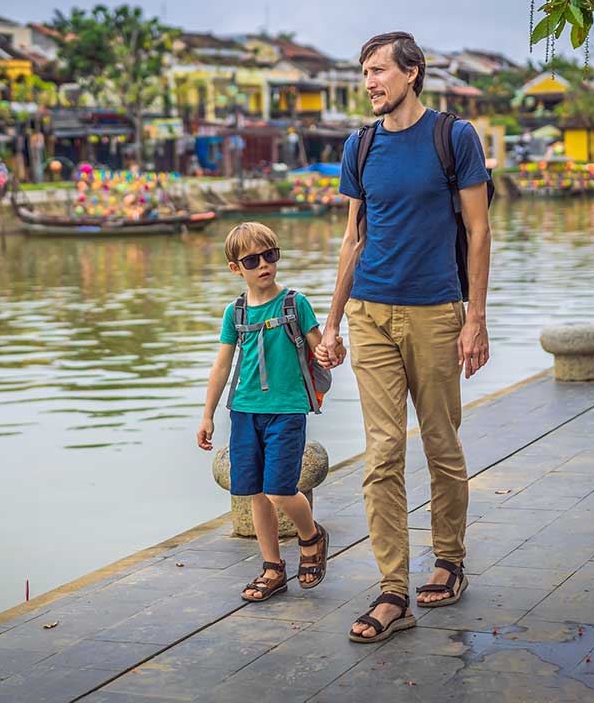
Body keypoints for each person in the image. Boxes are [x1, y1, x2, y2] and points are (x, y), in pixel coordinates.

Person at [315, 32, 492, 644]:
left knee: (441, 443)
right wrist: (332, 319)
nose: (369, 83)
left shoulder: (454, 137)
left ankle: (450, 559)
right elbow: (352, 239)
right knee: (383, 452)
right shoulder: (359, 146)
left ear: (412, 73)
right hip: (369, 314)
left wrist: (475, 318)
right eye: (364, 73)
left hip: (436, 313)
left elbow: (479, 229)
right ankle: (394, 591)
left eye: (379, 71)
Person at [197, 222, 344, 602]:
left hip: (288, 409)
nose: (264, 264)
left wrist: (332, 350)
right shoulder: (236, 311)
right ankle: (272, 567)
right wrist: (207, 414)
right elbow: (222, 365)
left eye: (270, 255)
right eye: (252, 260)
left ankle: (311, 536)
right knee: (256, 494)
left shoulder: (295, 303)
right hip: (244, 411)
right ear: (236, 268)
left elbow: (319, 349)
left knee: (280, 489)